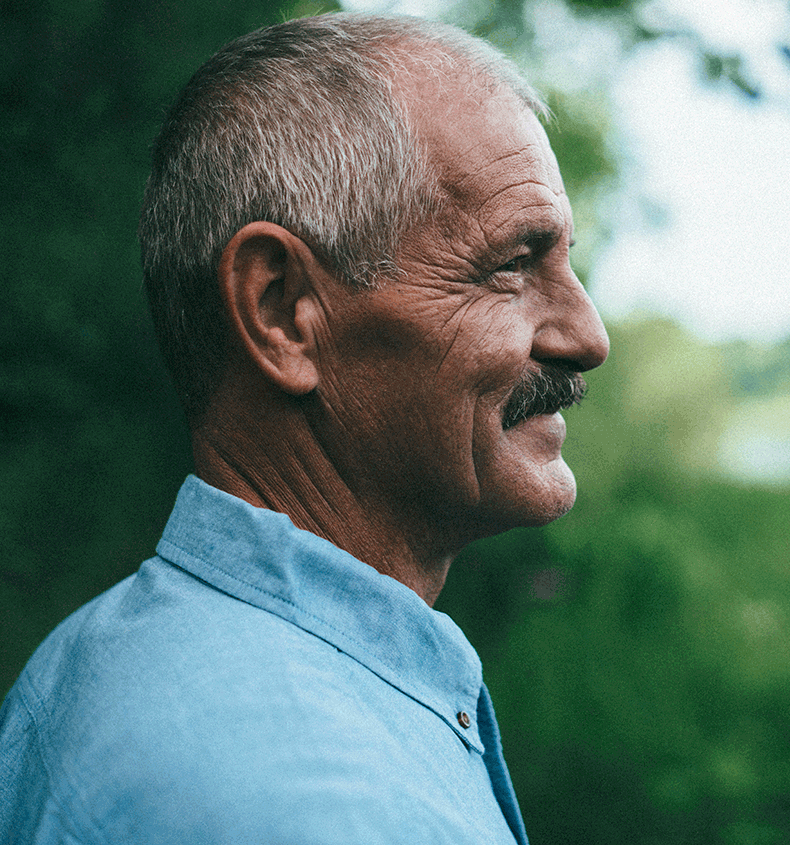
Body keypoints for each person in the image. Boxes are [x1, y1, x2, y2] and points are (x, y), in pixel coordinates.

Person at [0, 13, 608, 845]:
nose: (586, 334)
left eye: (565, 260)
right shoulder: (319, 805)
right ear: (283, 312)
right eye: (510, 263)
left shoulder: (89, 664)